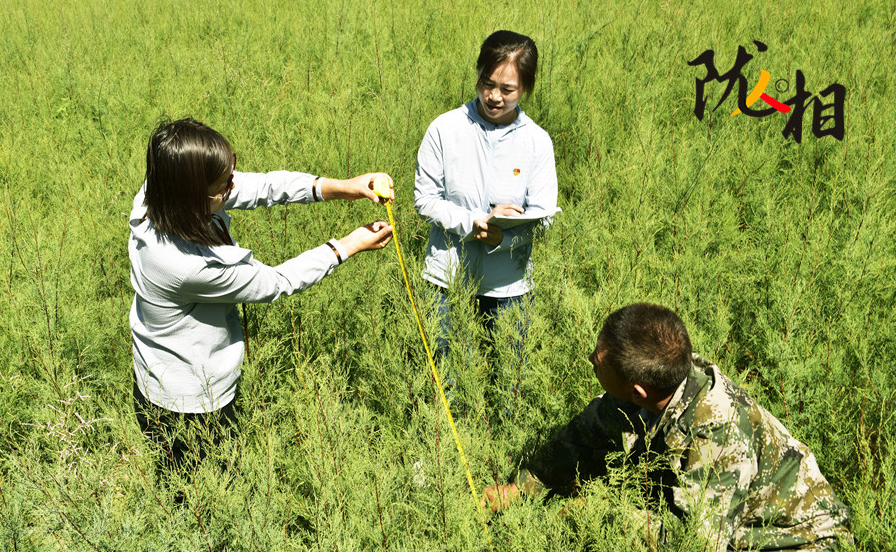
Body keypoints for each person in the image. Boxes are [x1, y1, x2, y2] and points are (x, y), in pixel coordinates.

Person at [129, 118, 393, 475]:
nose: (234, 185)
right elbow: (275, 281)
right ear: (195, 195)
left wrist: (342, 187)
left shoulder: (158, 193)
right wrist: (349, 245)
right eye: (224, 185)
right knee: (199, 494)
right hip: (189, 401)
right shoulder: (185, 265)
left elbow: (264, 187)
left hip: (159, 369)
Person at [482, 303, 852, 550]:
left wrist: (599, 514)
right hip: (734, 523)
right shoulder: (645, 389)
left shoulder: (718, 437)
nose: (591, 360)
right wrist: (520, 488)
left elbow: (695, 541)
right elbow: (579, 441)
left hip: (792, 538)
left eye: (597, 359)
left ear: (638, 390)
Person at [413, 30, 558, 407]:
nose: (494, 96)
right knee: (443, 379)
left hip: (509, 284)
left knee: (509, 380)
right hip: (446, 278)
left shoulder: (537, 142)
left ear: (526, 88)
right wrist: (472, 222)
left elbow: (544, 217)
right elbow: (424, 200)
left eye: (507, 89)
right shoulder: (444, 129)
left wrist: (504, 238)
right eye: (487, 83)